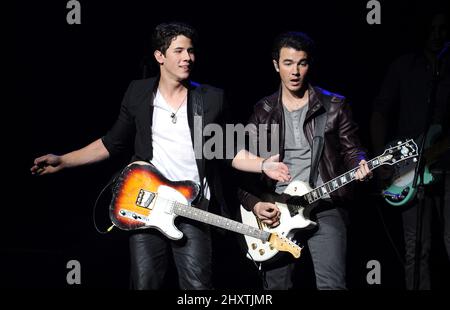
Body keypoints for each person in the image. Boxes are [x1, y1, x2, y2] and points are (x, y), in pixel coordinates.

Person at [30, 22, 290, 290]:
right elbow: (111, 143)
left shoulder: (210, 99)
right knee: (145, 284)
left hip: (193, 208)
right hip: (146, 205)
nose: (187, 57)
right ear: (160, 56)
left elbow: (226, 150)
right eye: (178, 51)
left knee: (198, 289)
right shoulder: (138, 93)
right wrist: (63, 160)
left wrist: (262, 164)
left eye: (190, 51)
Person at [237, 31, 372, 289]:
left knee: (332, 286)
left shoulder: (334, 105)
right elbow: (243, 168)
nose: (295, 71)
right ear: (276, 65)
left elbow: (353, 150)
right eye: (288, 63)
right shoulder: (262, 110)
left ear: (309, 65)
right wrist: (255, 204)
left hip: (325, 206)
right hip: (277, 211)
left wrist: (361, 164)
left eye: (302, 63)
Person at [370, 12, 449, 290]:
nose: (439, 34)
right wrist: (382, 160)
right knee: (417, 249)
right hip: (409, 169)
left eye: (444, 28)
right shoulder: (404, 67)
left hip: (446, 165)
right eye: (433, 28)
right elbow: (380, 111)